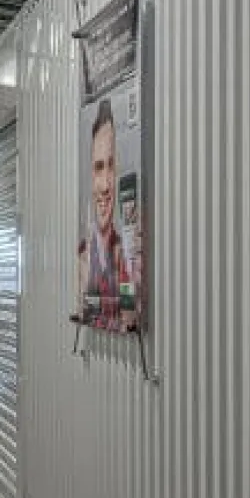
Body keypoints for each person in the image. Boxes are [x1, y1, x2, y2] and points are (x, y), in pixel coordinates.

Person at [77, 100, 137, 331]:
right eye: (98, 167)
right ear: (90, 177)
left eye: (111, 166)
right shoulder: (82, 258)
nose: (104, 185)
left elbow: (130, 318)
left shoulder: (127, 257)